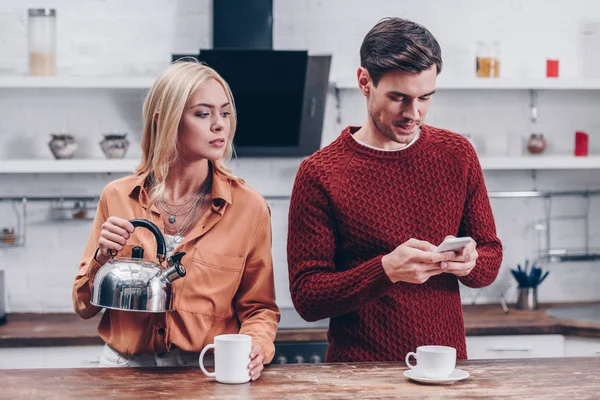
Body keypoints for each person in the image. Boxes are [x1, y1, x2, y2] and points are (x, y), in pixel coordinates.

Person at [287, 17, 503, 362]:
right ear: (364, 82)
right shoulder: (320, 174)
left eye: (425, 98)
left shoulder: (457, 154)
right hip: (358, 378)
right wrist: (386, 270)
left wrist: (471, 263)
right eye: (399, 98)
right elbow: (307, 298)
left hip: (443, 371)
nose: (413, 113)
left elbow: (490, 256)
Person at [73, 60, 279, 379]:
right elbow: (84, 306)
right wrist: (102, 258)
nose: (219, 125)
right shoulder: (116, 197)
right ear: (165, 120)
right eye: (202, 113)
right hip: (124, 372)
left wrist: (257, 346)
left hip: (205, 371)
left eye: (224, 113)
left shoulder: (249, 208)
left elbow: (259, 308)